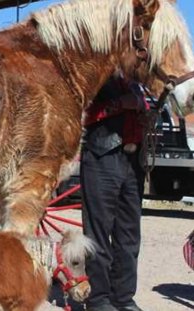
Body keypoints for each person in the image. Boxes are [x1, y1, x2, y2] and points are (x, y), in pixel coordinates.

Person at [81, 72, 149, 311]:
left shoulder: (136, 83)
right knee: (98, 232)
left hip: (133, 161)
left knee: (130, 235)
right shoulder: (96, 78)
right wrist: (122, 104)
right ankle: (99, 299)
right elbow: (81, 116)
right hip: (101, 155)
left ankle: (123, 298)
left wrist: (143, 109)